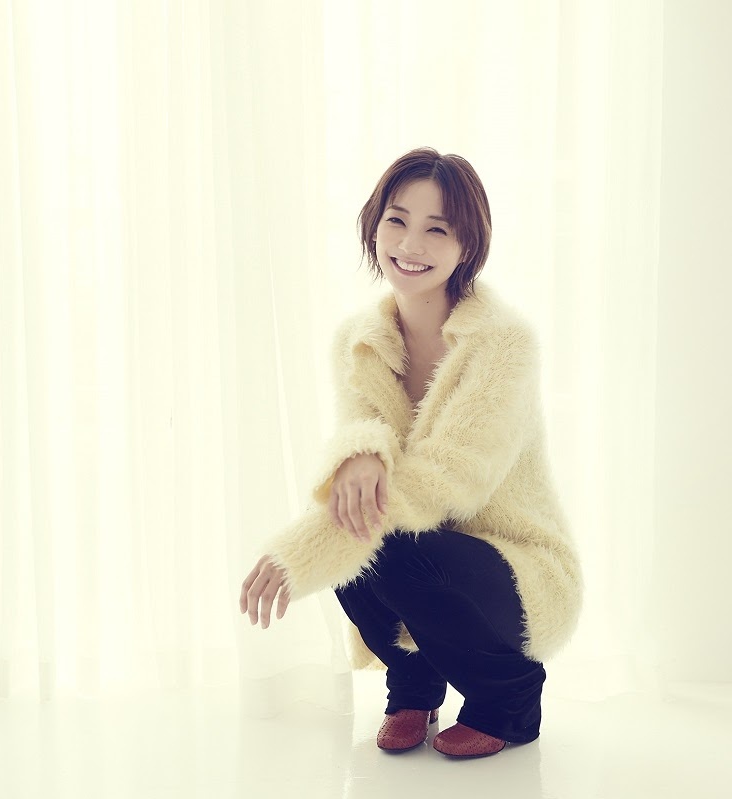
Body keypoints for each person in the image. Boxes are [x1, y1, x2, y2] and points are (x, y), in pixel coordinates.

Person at [238, 147, 582, 759]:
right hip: (425, 550)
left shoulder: (505, 343)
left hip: (517, 564)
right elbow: (361, 432)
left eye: (437, 229)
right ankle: (414, 688)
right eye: (396, 220)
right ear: (374, 225)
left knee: (367, 538)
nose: (409, 244)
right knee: (358, 538)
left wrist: (302, 547)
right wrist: (361, 454)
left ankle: (508, 698)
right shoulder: (359, 339)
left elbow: (452, 478)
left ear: (467, 246)